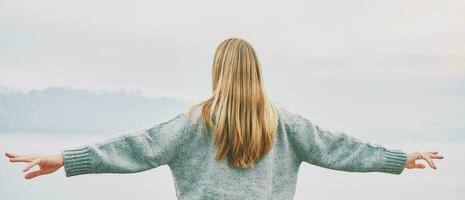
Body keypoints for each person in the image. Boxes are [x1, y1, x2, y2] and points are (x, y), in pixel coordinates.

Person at [5, 37, 443, 200]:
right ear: (257, 72)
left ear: (217, 72)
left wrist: (65, 158)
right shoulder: (284, 122)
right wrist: (398, 158)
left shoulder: (193, 122)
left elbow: (134, 147)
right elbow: (340, 148)